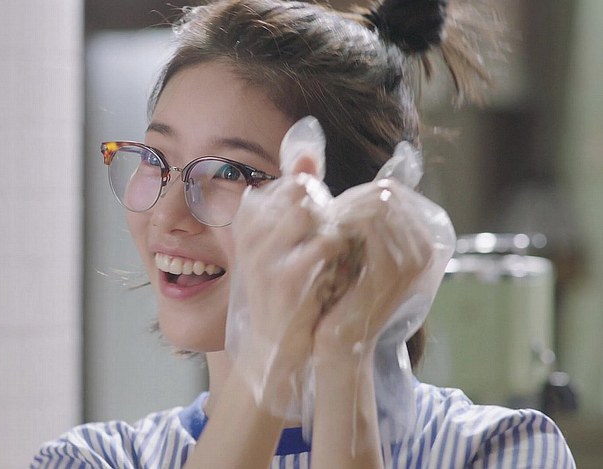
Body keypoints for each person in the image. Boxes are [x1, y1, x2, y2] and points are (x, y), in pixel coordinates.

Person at [32, 0, 576, 467]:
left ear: (357, 210)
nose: (167, 214)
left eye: (229, 172)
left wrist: (345, 352)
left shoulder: (502, 449)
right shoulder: (95, 458)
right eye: (156, 158)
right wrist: (269, 354)